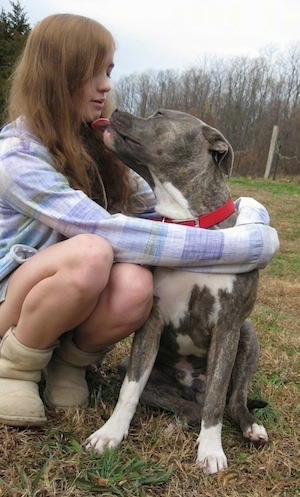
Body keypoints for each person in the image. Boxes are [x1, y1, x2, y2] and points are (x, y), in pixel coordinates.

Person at [0, 13, 279, 428]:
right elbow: (103, 230)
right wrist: (246, 245)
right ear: (55, 74)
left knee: (136, 285)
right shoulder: (16, 153)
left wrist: (250, 211)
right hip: (11, 300)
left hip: (69, 301)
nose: (106, 85)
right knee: (93, 251)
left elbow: (158, 213)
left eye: (109, 71)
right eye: (92, 71)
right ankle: (15, 368)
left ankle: (68, 365)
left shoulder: (99, 150)